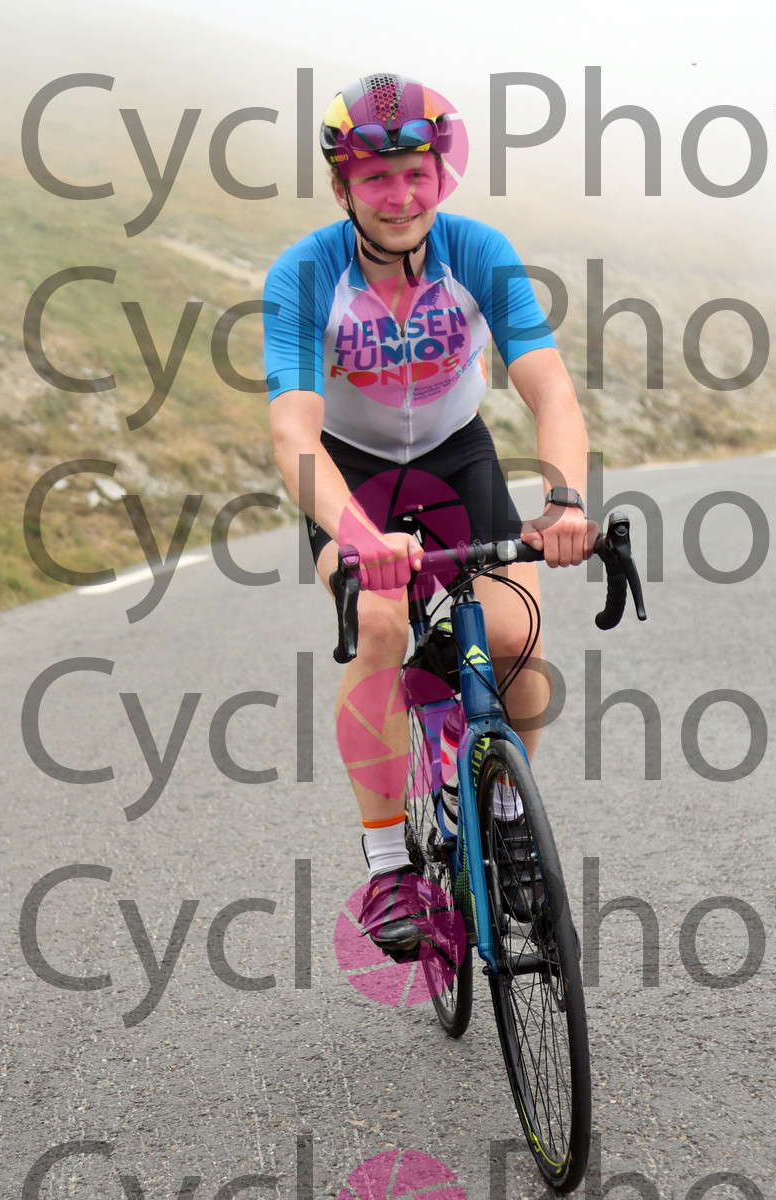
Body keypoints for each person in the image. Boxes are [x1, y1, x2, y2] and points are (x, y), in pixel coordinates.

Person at [261, 74, 595, 959]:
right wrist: (357, 537)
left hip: (456, 454)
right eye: (376, 177)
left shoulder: (477, 251)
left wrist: (565, 500)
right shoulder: (306, 274)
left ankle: (507, 811)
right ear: (343, 186)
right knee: (378, 624)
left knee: (516, 634)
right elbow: (294, 431)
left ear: (441, 176)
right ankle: (387, 868)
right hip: (352, 472)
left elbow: (550, 390)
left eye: (417, 174)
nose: (401, 195)